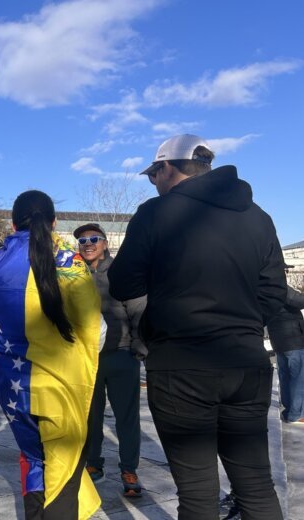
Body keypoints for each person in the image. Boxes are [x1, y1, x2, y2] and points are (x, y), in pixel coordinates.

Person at [108, 134, 287, 519]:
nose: (153, 182)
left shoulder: (156, 213)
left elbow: (123, 283)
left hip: (181, 364)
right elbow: (274, 292)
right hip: (246, 361)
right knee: (256, 485)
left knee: (198, 494)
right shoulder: (258, 216)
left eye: (153, 173)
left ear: (168, 167)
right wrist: (241, 325)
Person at [0, 191, 103, 519]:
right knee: (62, 476)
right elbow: (96, 329)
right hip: (60, 390)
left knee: (35, 464)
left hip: (14, 390)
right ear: (55, 221)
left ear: (14, 223)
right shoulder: (68, 261)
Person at [74, 223, 146, 497]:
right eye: (82, 240)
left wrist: (139, 346)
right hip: (86, 358)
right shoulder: (72, 274)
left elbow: (139, 307)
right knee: (90, 417)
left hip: (121, 353)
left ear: (105, 243)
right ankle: (93, 464)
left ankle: (129, 469)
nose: (88, 243)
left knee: (126, 417)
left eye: (94, 239)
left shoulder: (120, 271)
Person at [267, 279, 304, 425]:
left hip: (278, 338)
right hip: (292, 338)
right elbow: (297, 301)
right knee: (298, 376)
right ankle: (296, 413)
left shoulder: (265, 288)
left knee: (285, 375)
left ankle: (289, 409)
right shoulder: (278, 285)